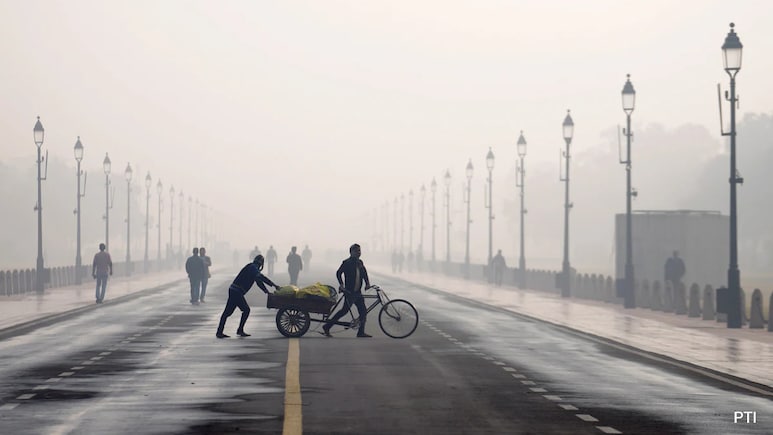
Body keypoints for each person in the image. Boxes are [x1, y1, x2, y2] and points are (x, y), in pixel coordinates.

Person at [216, 255, 280, 338]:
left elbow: (258, 282)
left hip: (234, 290)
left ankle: (220, 331)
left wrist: (266, 291)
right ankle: (239, 330)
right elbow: (261, 277)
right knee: (245, 310)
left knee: (227, 313)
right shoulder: (253, 267)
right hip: (236, 292)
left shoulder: (252, 267)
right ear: (261, 263)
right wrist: (274, 285)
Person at [322, 243, 372, 338]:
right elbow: (338, 273)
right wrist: (341, 284)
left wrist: (367, 283)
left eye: (359, 251)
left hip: (358, 292)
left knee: (363, 311)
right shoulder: (346, 263)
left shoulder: (360, 262)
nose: (358, 253)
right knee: (344, 311)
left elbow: (364, 273)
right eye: (356, 251)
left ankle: (361, 332)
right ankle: (327, 326)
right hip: (349, 292)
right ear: (351, 252)